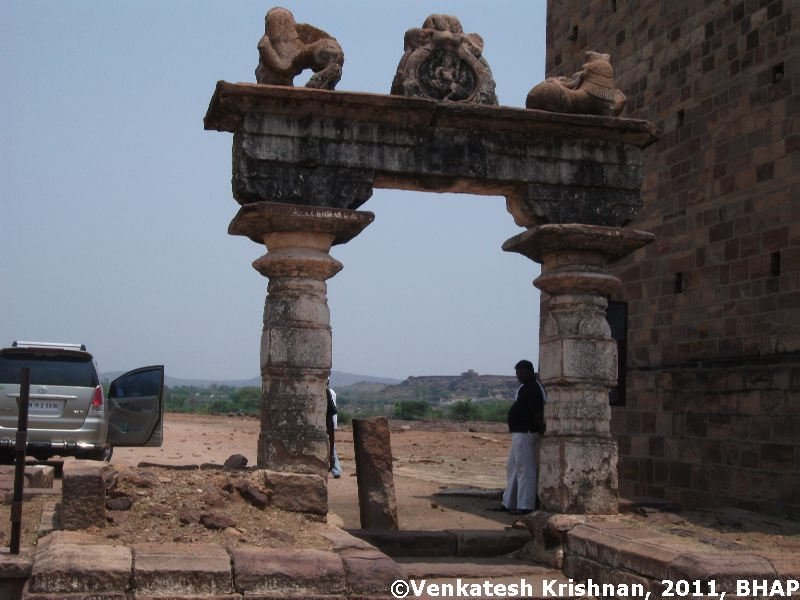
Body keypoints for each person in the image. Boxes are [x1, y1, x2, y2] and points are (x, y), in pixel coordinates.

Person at [499, 359, 546, 515]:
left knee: (525, 469)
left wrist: (541, 430)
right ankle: (509, 502)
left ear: (531, 372)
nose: (519, 376)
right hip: (519, 432)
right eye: (518, 373)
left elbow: (538, 413)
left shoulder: (533, 388)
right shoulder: (525, 388)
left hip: (526, 432)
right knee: (513, 468)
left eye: (522, 372)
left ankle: (526, 505)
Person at [326, 382, 342, 479]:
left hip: (329, 421)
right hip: (331, 421)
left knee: (331, 446)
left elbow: (331, 410)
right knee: (331, 446)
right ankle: (336, 470)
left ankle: (336, 470)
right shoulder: (331, 392)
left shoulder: (329, 392)